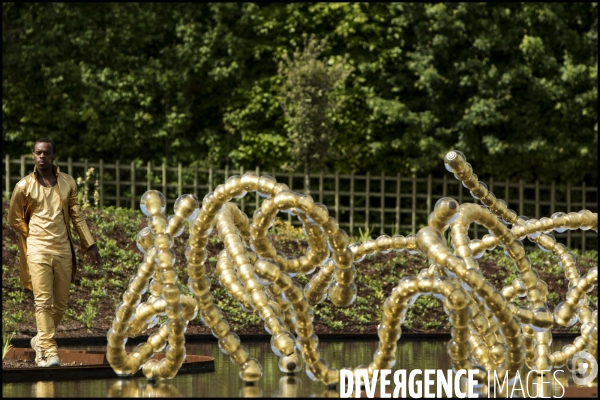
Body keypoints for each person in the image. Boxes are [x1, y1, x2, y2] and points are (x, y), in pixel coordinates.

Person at [8, 138, 102, 367]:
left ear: (53, 156)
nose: (42, 156)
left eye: (46, 153)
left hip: (62, 249)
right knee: (43, 302)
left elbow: (76, 215)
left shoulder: (67, 182)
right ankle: (48, 353)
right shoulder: (23, 186)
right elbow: (14, 218)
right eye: (38, 153)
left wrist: (90, 244)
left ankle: (39, 339)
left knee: (59, 305)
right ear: (33, 156)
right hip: (38, 249)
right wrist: (32, 235)